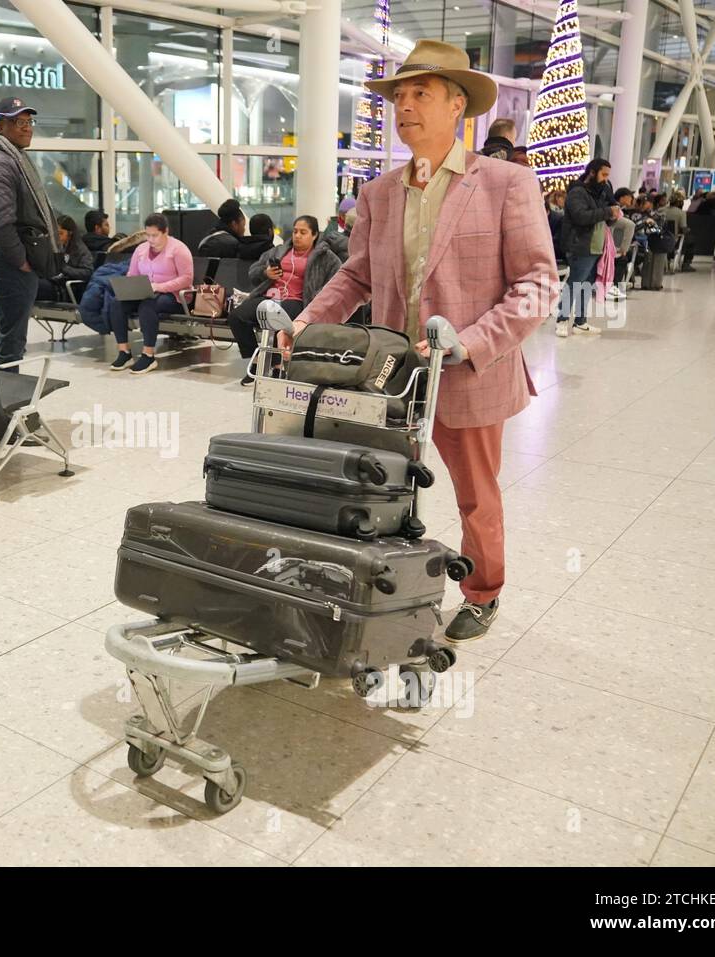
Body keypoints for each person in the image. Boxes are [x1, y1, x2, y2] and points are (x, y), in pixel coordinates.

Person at [277, 39, 558, 643]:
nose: (404, 105)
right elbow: (356, 276)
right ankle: (382, 581)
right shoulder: (379, 193)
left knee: (476, 496)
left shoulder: (506, 183)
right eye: (399, 95)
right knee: (378, 481)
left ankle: (482, 590)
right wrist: (304, 324)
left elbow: (538, 285)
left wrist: (471, 342)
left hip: (469, 372)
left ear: (458, 106)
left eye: (420, 94)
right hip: (388, 378)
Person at [0, 95, 61, 366]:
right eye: (18, 122)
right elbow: (2, 223)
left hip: (13, 263)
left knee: (8, 334)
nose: (27, 127)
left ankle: (4, 397)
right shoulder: (3, 164)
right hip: (12, 264)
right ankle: (9, 403)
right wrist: (21, 262)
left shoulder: (15, 159)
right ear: (0, 126)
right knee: (13, 341)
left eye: (29, 121)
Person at [228, 215, 341, 385]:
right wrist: (265, 273)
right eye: (295, 231)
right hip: (269, 296)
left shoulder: (326, 257)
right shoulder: (278, 251)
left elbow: (336, 282)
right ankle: (257, 360)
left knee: (276, 319)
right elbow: (253, 271)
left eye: (303, 232)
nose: (297, 236)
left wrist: (317, 297)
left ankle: (276, 365)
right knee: (237, 316)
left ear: (315, 235)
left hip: (297, 300)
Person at [108, 213, 193, 375]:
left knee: (149, 305)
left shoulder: (178, 249)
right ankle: (124, 352)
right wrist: (130, 287)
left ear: (165, 232)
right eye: (148, 235)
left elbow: (186, 279)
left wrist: (159, 287)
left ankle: (148, 355)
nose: (151, 239)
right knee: (117, 303)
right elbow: (132, 274)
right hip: (146, 292)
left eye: (155, 235)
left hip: (175, 297)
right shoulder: (141, 250)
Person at [556, 158, 621, 337]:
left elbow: (605, 218)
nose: (606, 179)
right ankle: (562, 320)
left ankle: (580, 322)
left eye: (608, 175)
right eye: (603, 174)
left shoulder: (600, 192)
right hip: (580, 246)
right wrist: (607, 212)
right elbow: (581, 217)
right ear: (592, 172)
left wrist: (613, 214)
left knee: (586, 285)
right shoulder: (577, 192)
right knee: (575, 283)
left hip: (596, 247)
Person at [36, 215, 93, 301]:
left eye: (61, 233)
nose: (57, 237)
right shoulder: (55, 247)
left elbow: (88, 272)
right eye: (56, 234)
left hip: (65, 288)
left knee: (33, 286)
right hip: (52, 281)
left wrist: (64, 268)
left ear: (70, 234)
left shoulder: (81, 250)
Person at [197, 199, 275, 260]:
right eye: (243, 226)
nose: (244, 230)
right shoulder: (232, 244)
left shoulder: (210, 236)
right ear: (234, 224)